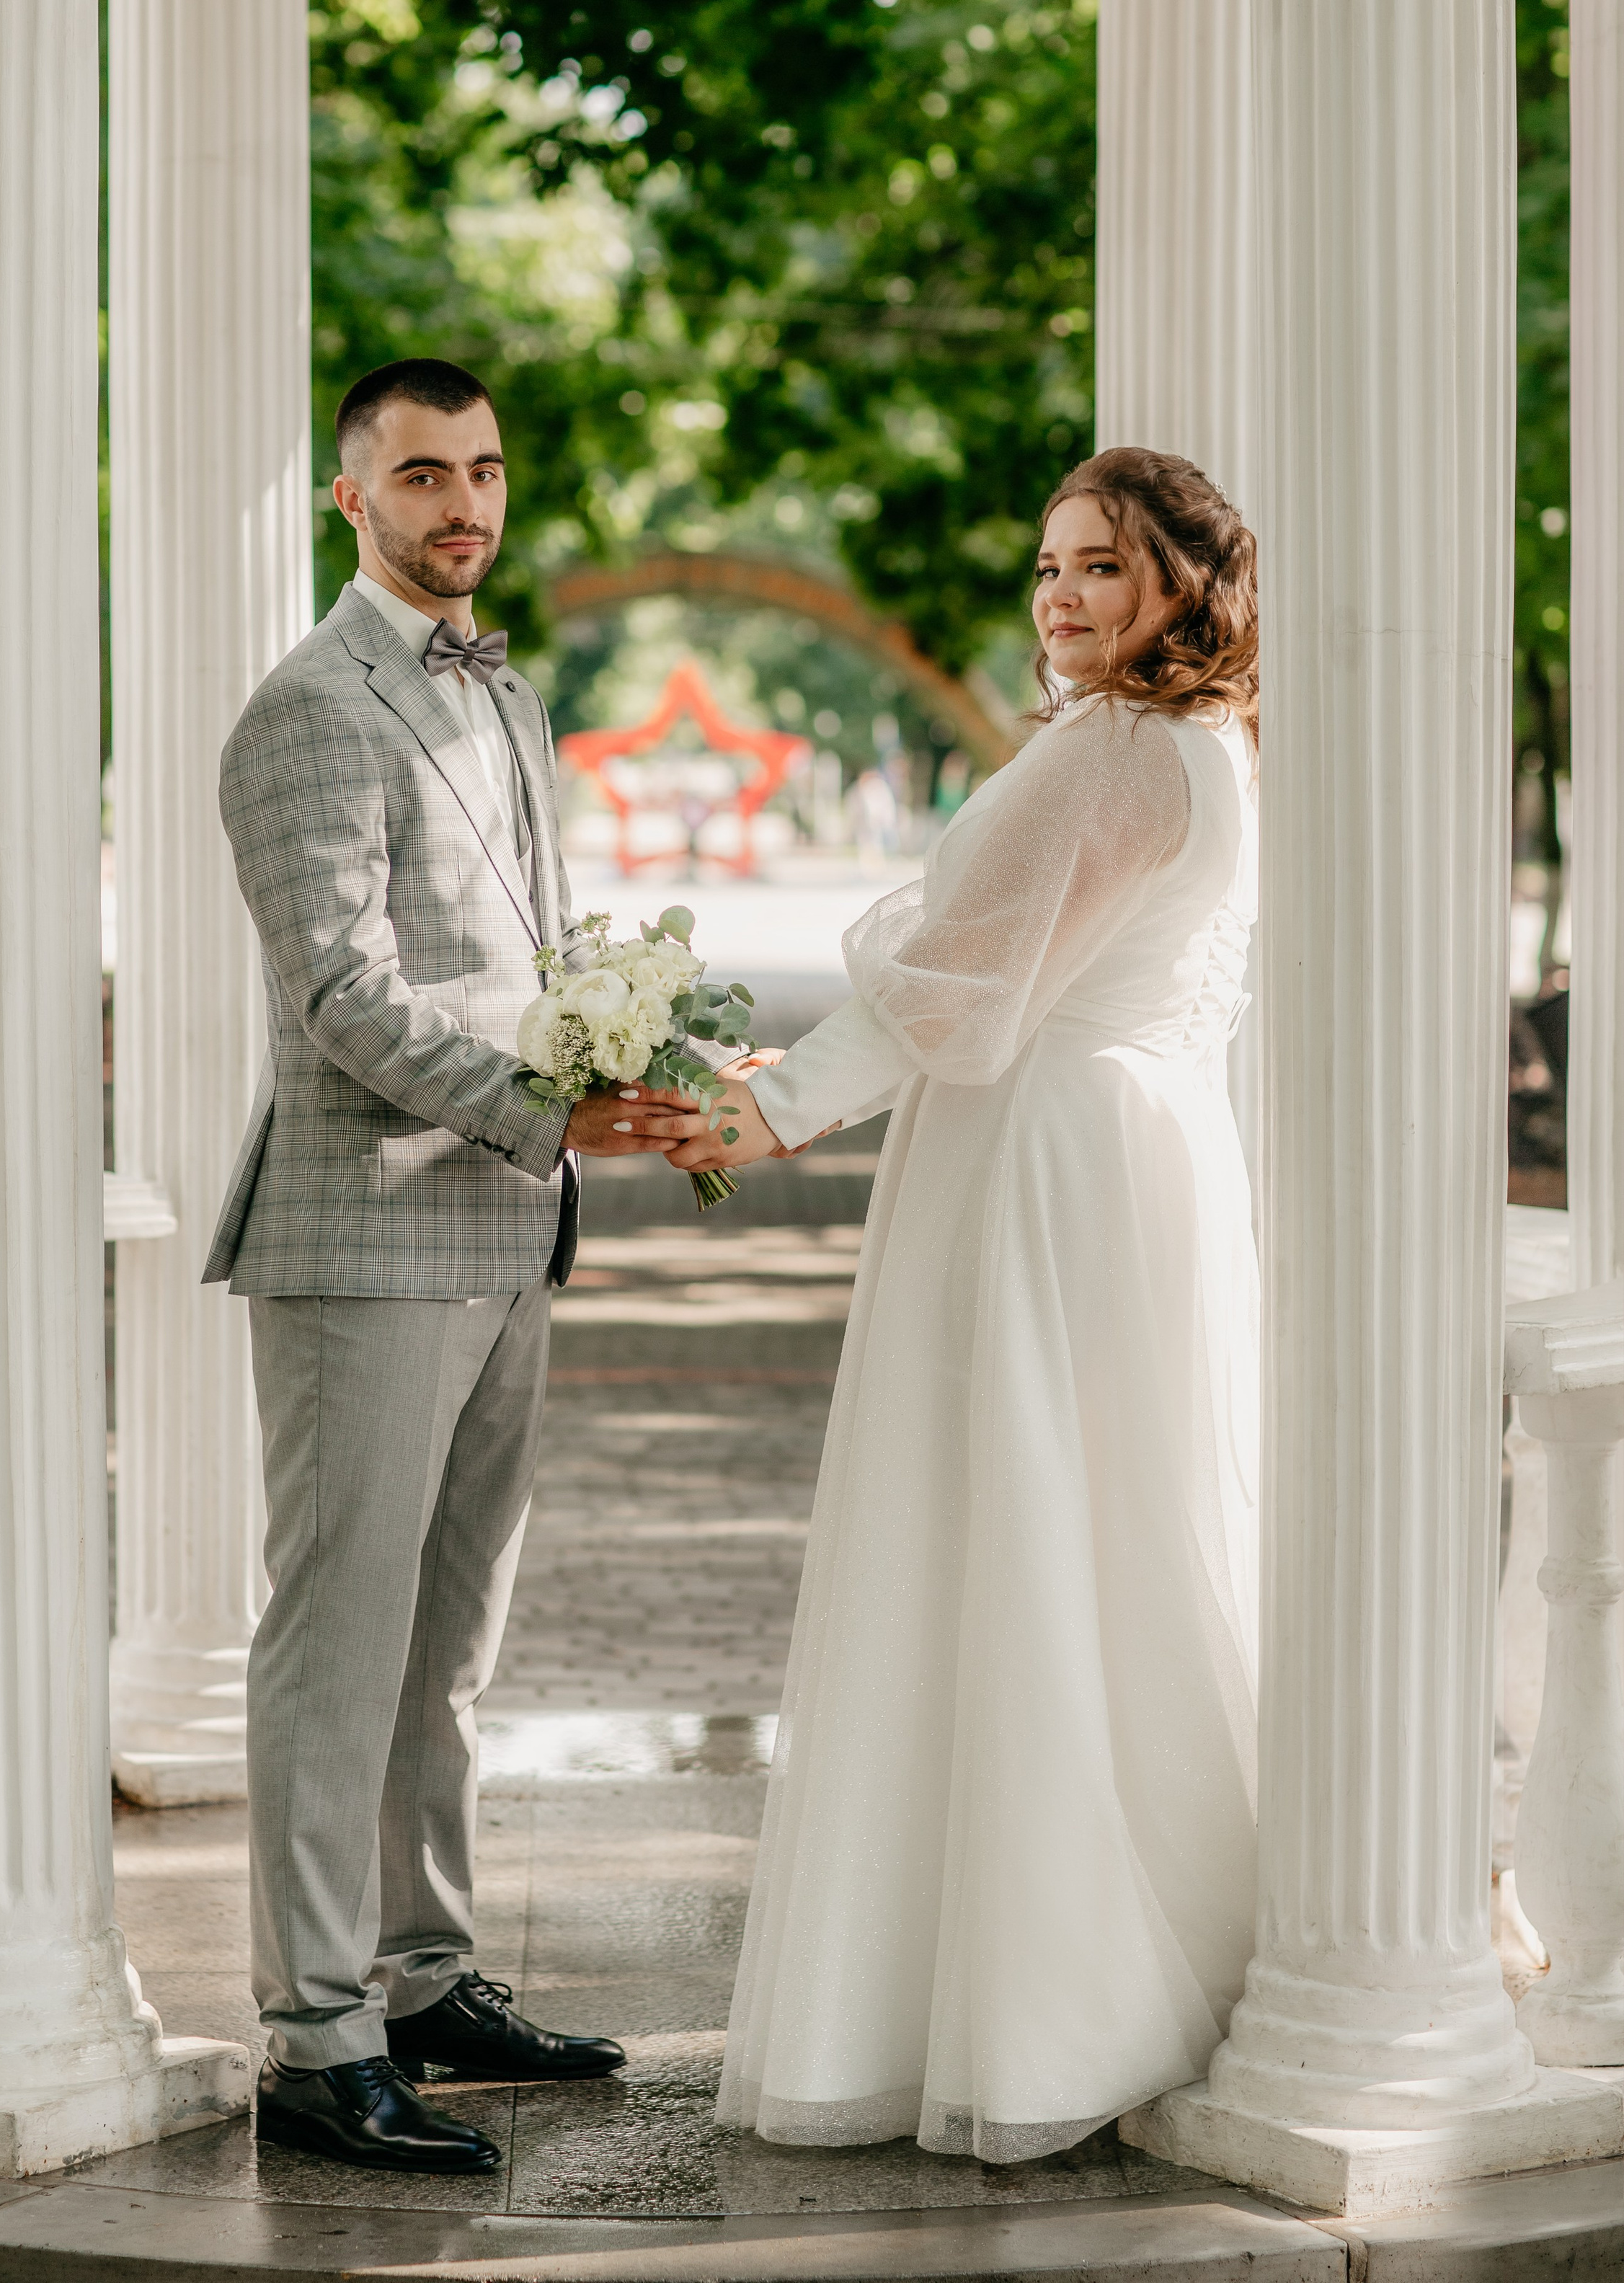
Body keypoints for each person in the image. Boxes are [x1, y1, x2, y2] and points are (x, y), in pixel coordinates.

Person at [669, 448, 1261, 2160]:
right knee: (1119, 1536)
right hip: (1139, 1157)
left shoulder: (1117, 754)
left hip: (1038, 1165)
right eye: (1047, 566)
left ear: (1181, 582)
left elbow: (967, 996)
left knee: (1010, 1539)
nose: (1059, 595)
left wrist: (768, 1104)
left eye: (1100, 566)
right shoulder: (1206, 745)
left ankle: (1045, 1995)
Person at [205, 358, 709, 2173]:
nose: (461, 505)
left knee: (448, 1645)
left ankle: (419, 1975)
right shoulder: (302, 712)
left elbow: (534, 955)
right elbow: (343, 999)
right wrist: (540, 1107)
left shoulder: (507, 698)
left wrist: (615, 1067)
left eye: (483, 471)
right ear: (350, 498)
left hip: (506, 1224)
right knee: (335, 1647)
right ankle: (312, 2036)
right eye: (421, 475)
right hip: (364, 1231)